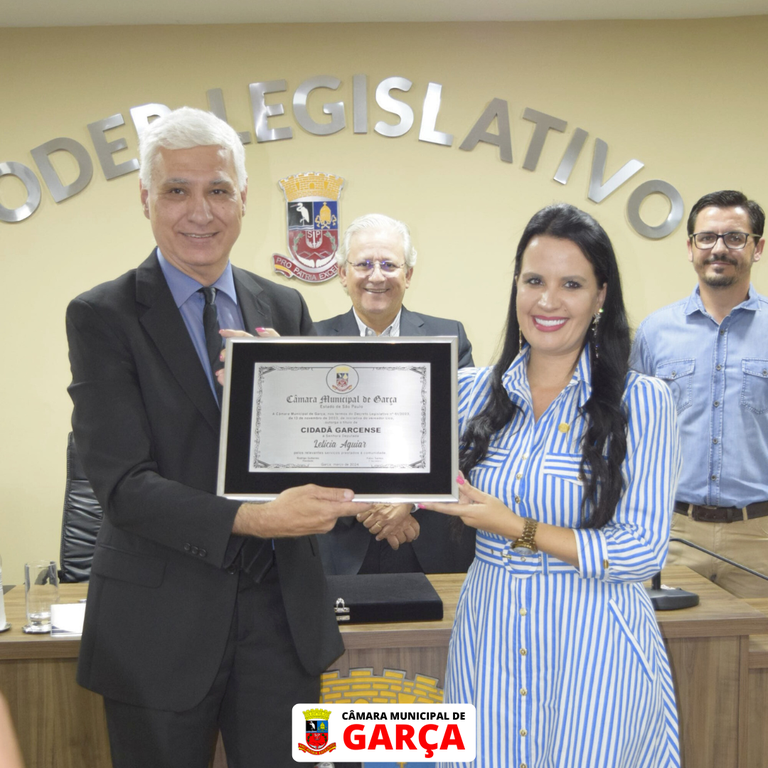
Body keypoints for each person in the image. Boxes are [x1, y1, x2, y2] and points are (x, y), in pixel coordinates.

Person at [66, 107, 370, 768]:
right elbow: (123, 487)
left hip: (282, 620)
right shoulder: (101, 317)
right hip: (158, 628)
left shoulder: (283, 307)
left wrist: (295, 396)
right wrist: (255, 519)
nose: (200, 211)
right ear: (145, 197)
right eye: (177, 190)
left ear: (243, 198)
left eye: (218, 190)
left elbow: (320, 449)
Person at [422, 203, 682, 768]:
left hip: (595, 644)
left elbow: (641, 549)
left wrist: (515, 527)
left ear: (601, 296)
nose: (547, 301)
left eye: (572, 284)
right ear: (515, 286)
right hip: (489, 631)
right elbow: (374, 441)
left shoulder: (642, 401)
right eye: (534, 281)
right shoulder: (467, 391)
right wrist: (284, 367)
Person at [314, 213, 476, 575]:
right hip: (340, 541)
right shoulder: (311, 339)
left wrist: (409, 501)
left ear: (408, 274)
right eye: (364, 264)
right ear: (342, 273)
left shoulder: (449, 338)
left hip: (427, 536)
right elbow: (309, 442)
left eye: (389, 264)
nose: (376, 276)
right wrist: (369, 506)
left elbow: (463, 436)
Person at [630, 190, 768, 598]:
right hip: (673, 533)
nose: (719, 248)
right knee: (671, 639)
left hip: (759, 539)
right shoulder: (655, 332)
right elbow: (631, 433)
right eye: (706, 237)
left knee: (757, 641)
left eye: (735, 237)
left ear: (758, 247)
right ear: (690, 248)